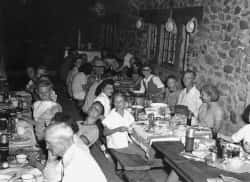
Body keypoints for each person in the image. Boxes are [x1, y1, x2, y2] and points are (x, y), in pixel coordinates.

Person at [102, 92, 146, 158]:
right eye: (116, 101)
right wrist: (118, 129)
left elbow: (132, 123)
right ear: (113, 103)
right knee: (142, 153)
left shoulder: (126, 113)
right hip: (117, 145)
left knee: (146, 147)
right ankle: (142, 165)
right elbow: (104, 133)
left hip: (127, 141)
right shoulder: (111, 116)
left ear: (125, 103)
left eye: (120, 101)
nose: (118, 103)